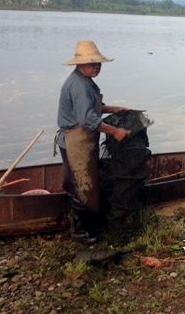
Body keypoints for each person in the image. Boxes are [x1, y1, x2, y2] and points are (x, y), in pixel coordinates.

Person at [56, 39, 131, 243]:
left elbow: (91, 108)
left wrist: (112, 108)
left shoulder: (85, 81)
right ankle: (79, 231)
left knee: (79, 181)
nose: (96, 67)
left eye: (98, 63)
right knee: (83, 184)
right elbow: (88, 119)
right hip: (75, 141)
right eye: (92, 63)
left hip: (79, 140)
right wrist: (114, 131)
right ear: (79, 64)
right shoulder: (79, 86)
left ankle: (82, 222)